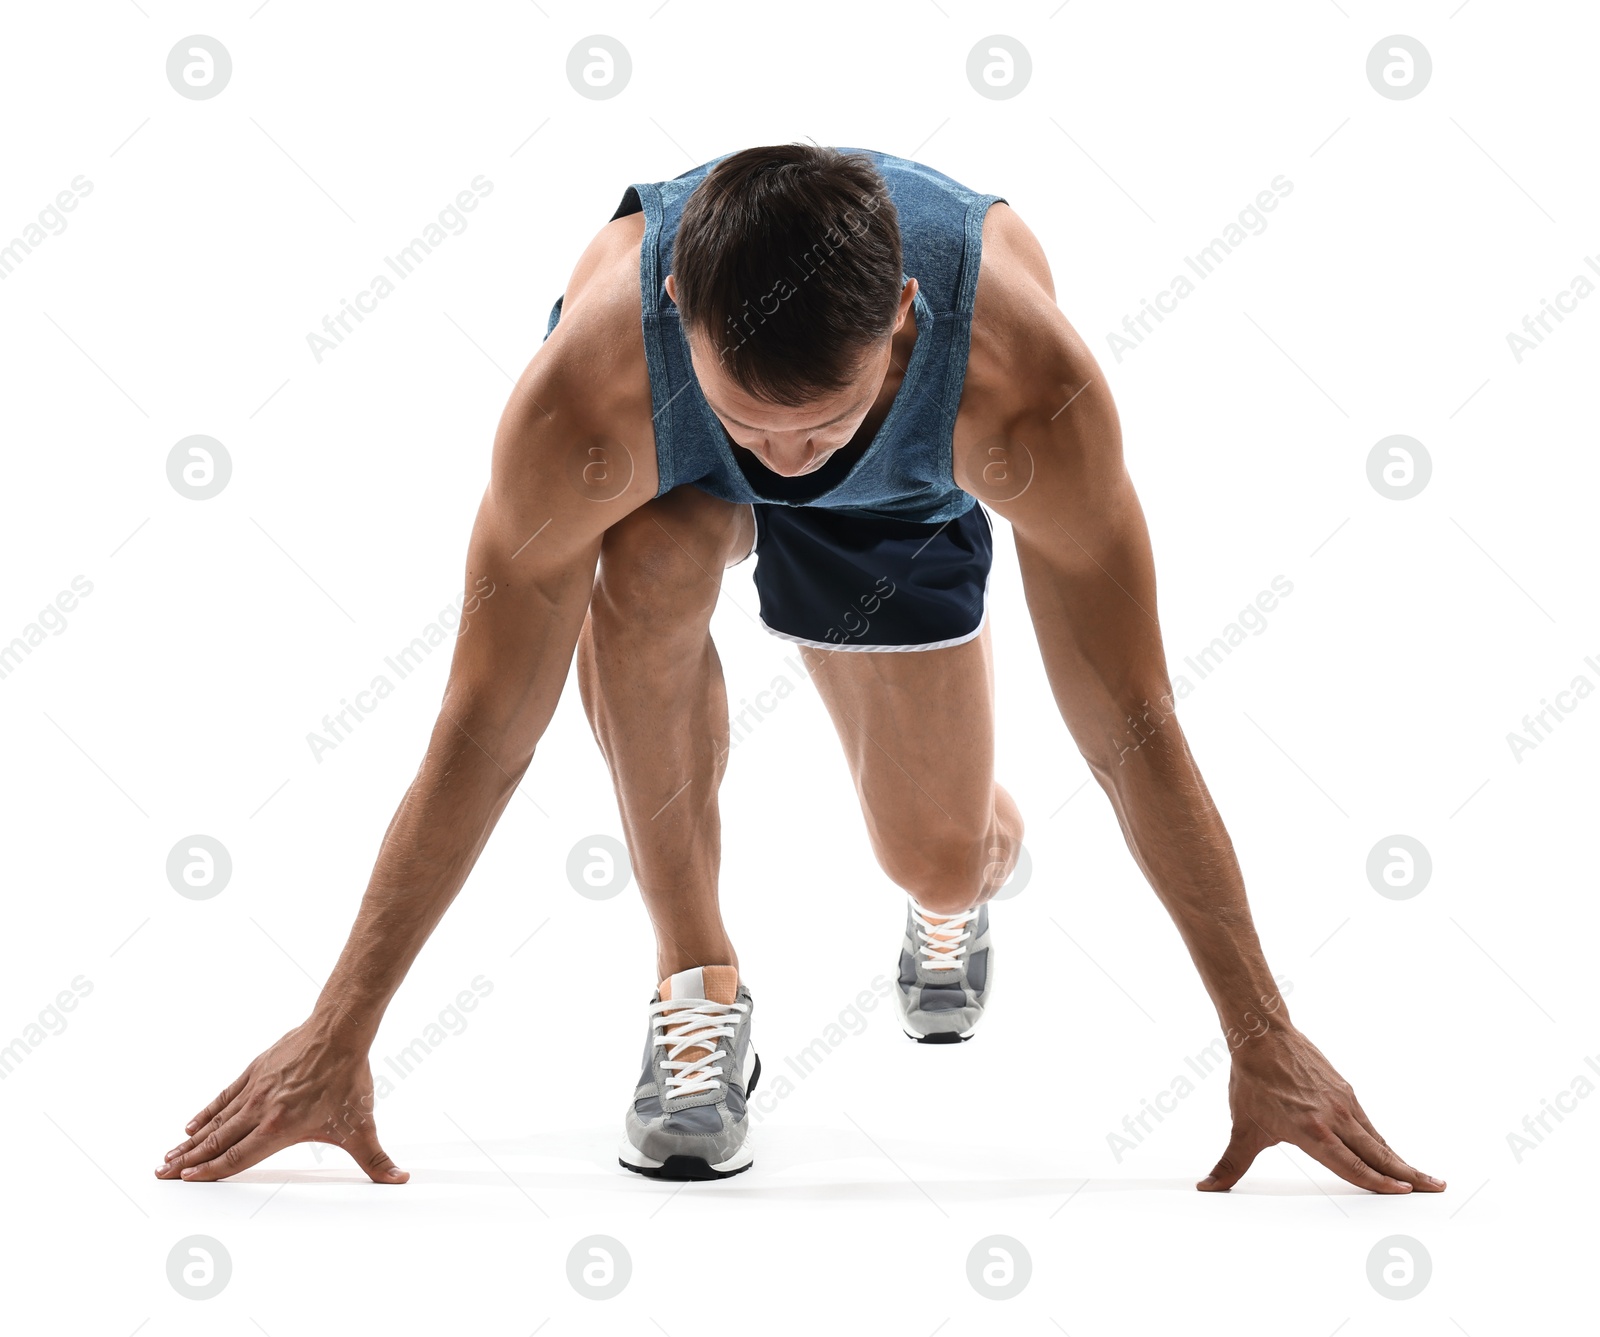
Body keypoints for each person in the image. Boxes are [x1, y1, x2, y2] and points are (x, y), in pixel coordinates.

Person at [156, 144, 1443, 1192]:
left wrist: (1261, 1035)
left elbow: (1131, 721)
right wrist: (342, 1029)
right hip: (667, 472)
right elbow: (487, 721)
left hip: (904, 481)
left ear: (904, 318)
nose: (781, 455)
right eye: (750, 420)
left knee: (935, 852)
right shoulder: (588, 393)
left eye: (812, 425)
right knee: (651, 563)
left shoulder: (1020, 389)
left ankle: (959, 868)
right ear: (675, 314)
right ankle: (695, 983)